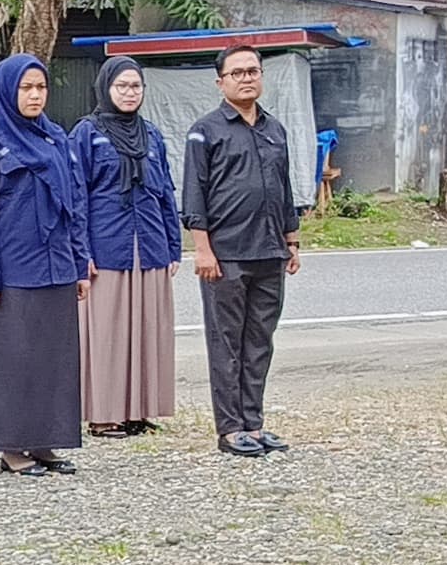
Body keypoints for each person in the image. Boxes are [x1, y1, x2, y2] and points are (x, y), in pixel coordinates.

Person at [0, 49, 91, 474]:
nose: (35, 96)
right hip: (14, 268)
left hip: (56, 265)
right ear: (6, 90)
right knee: (14, 359)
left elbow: (75, 202)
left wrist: (78, 261)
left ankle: (45, 440)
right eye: (26, 88)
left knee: (52, 357)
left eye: (41, 87)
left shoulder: (56, 137)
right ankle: (11, 447)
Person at [181, 43, 303, 457]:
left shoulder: (275, 129)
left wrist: (292, 240)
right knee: (226, 344)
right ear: (221, 82)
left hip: (269, 252)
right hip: (226, 255)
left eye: (253, 71)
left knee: (259, 342)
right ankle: (230, 428)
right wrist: (202, 249)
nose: (248, 77)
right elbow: (194, 193)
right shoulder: (206, 130)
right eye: (238, 72)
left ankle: (254, 422)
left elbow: (284, 189)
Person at [72, 57, 179, 432]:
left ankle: (138, 410)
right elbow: (75, 197)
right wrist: (79, 251)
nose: (130, 93)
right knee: (107, 333)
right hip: (106, 246)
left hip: (149, 244)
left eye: (136, 86)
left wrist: (173, 245)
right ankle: (103, 415)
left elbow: (166, 192)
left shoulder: (151, 134)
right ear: (106, 88)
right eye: (122, 86)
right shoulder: (86, 133)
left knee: (148, 330)